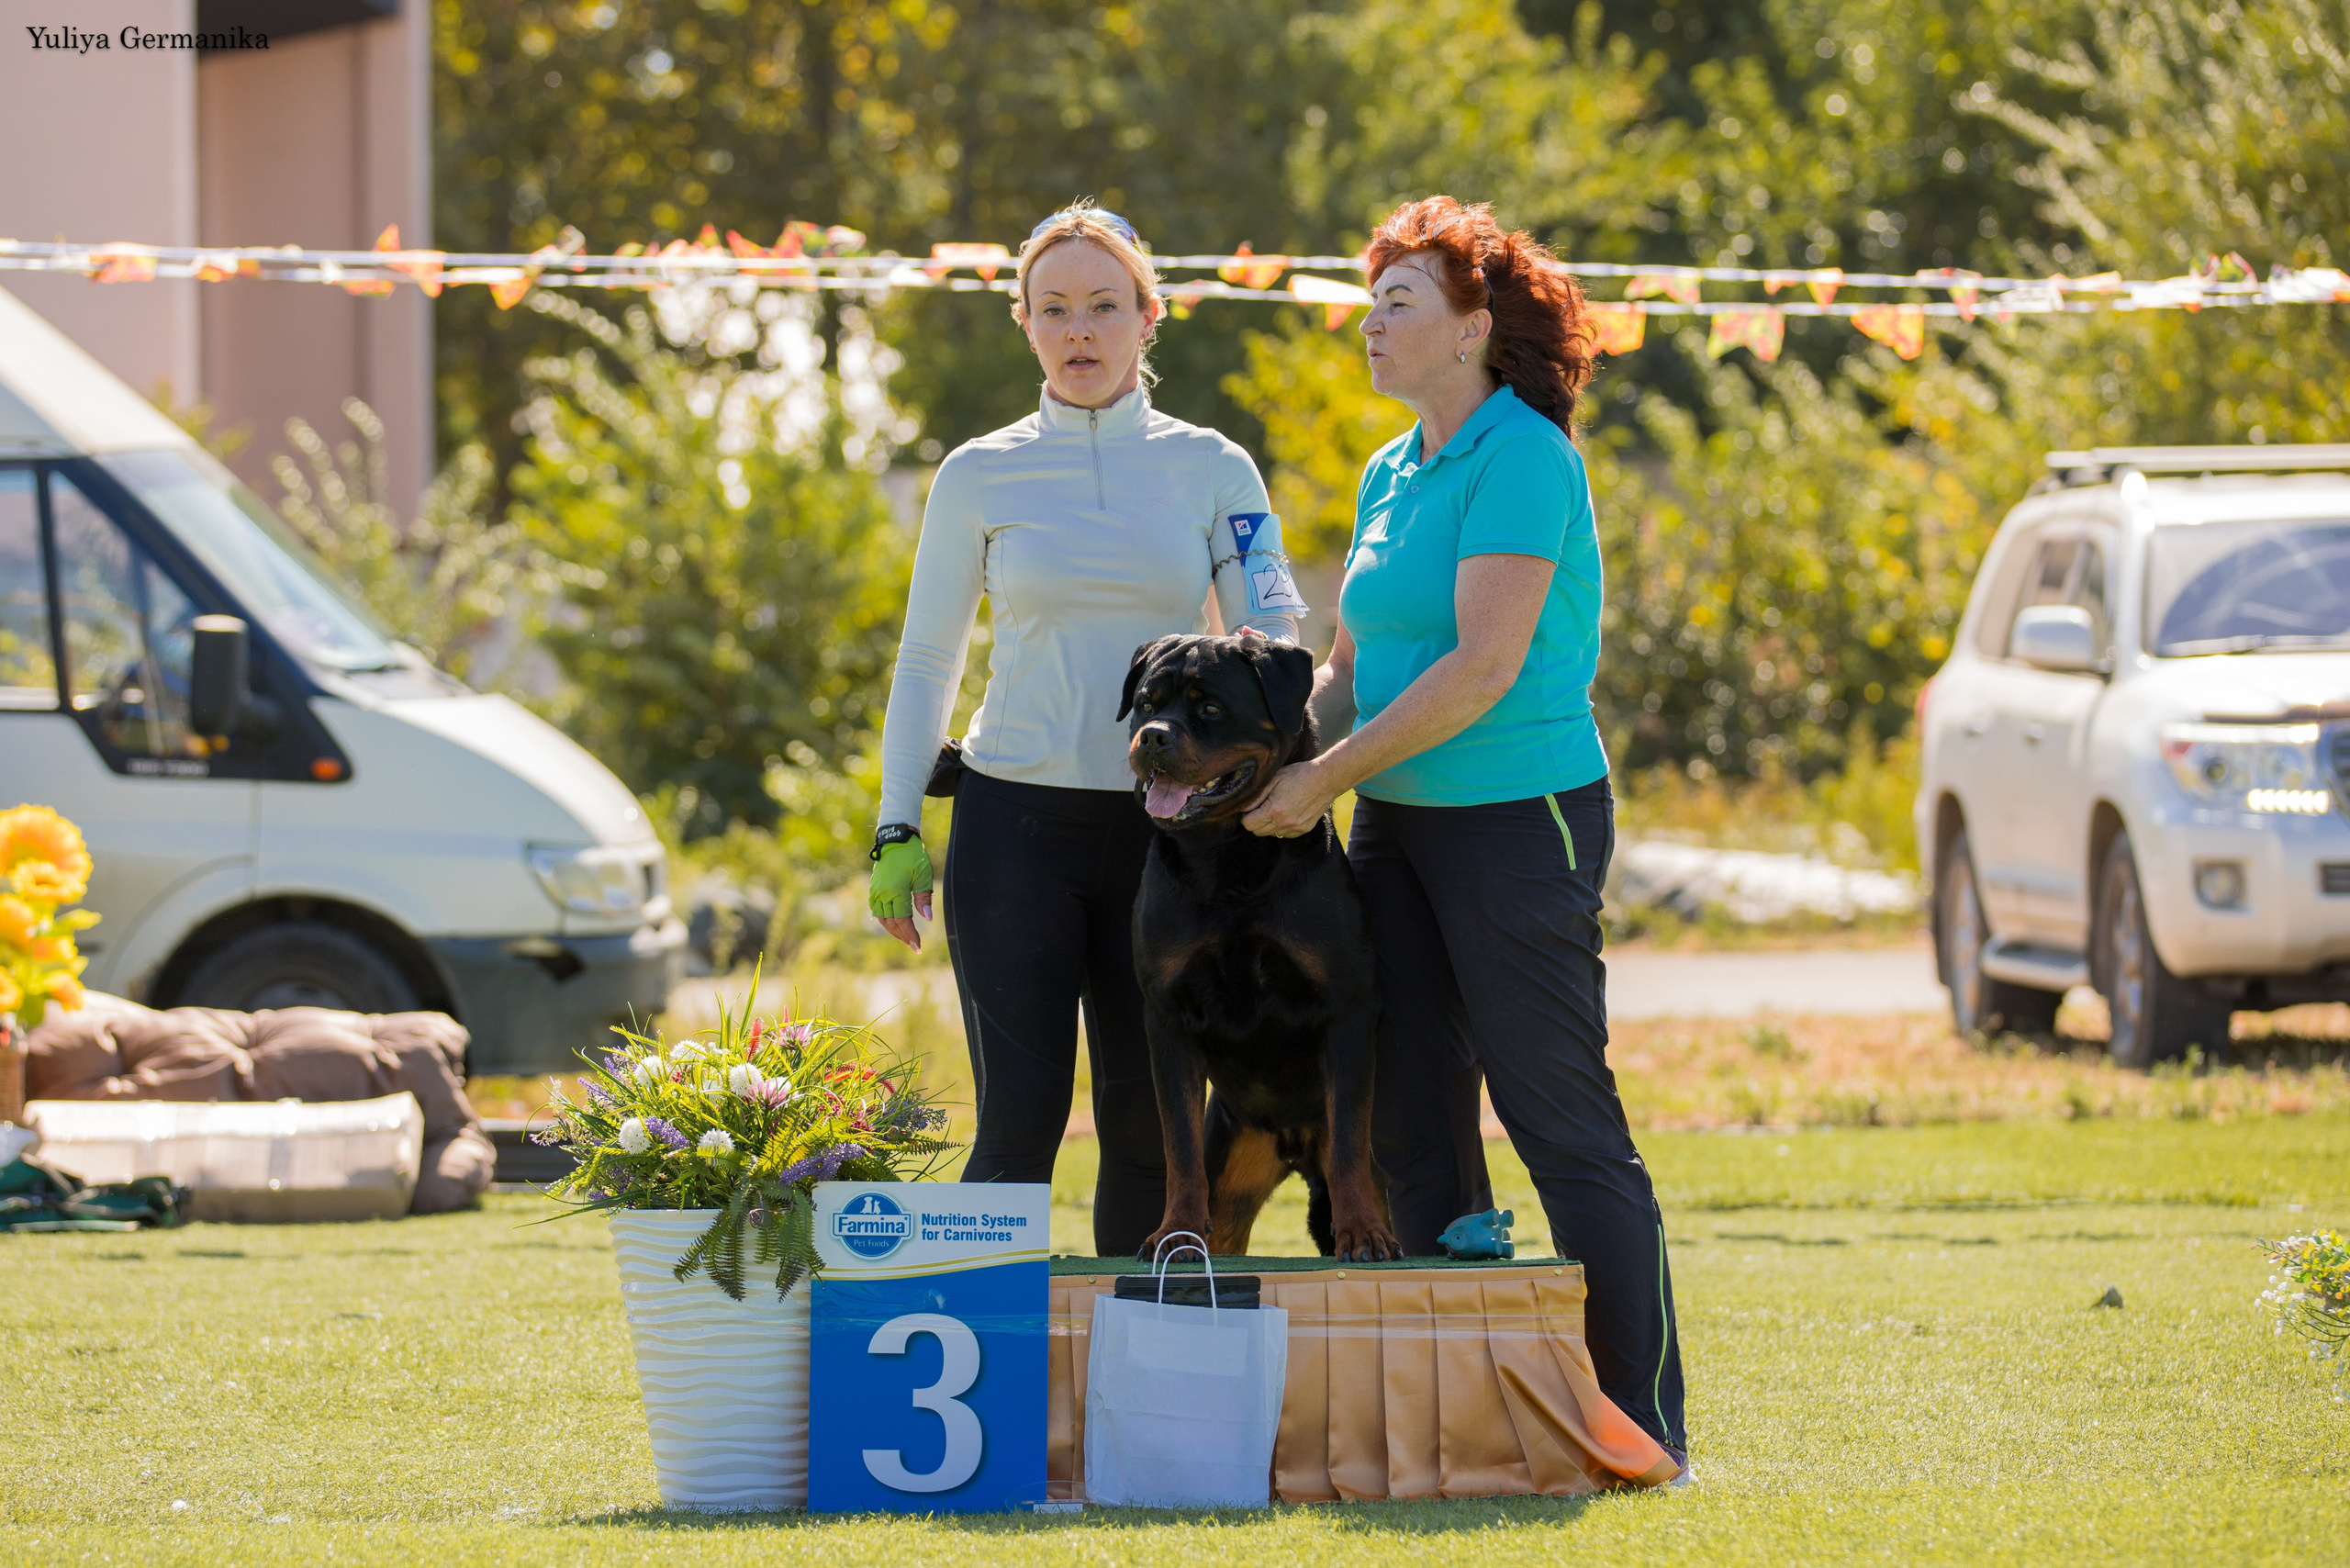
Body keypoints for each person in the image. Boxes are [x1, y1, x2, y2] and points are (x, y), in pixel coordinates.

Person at [1240, 196, 1690, 1470]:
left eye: (1400, 301)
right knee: (1407, 1119)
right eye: (1370, 298)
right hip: (1397, 825)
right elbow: (1355, 657)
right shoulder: (1394, 468)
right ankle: (1477, 1418)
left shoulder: (1525, 455)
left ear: (1474, 329)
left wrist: (1323, 776)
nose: (1371, 322)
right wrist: (1269, 761)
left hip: (1516, 823)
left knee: (1559, 1118)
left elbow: (1483, 667)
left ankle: (1643, 1425)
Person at [867, 201, 1307, 1256]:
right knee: (1015, 1130)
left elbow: (1276, 628)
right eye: (1054, 308)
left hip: (1176, 843)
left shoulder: (1214, 467)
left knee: (1152, 1138)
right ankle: (1001, 1403)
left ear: (1148, 317)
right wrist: (894, 824)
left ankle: (1132, 1397)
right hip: (1012, 828)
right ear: (1022, 322)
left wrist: (1287, 785)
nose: (1080, 331)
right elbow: (928, 657)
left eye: (1104, 306)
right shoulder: (977, 471)